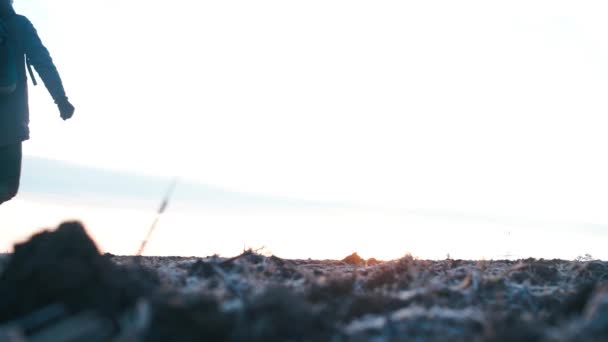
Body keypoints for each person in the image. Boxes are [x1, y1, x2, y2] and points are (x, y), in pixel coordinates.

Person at [0, 0, 74, 205]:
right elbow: (43, 62)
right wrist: (61, 99)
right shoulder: (20, 25)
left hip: (11, 127)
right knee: (6, 186)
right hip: (10, 127)